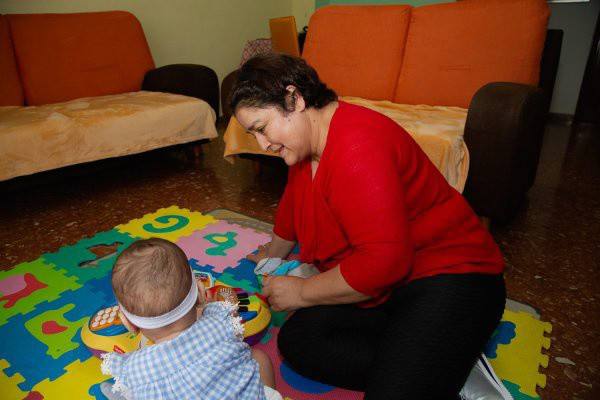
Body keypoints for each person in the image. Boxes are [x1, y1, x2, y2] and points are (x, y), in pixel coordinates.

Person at [232, 53, 506, 399]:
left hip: (454, 276)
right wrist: (270, 259)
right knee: (299, 340)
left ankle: (441, 363)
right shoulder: (305, 145)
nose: (263, 144)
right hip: (391, 287)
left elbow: (381, 265)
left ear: (294, 99)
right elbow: (292, 210)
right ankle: (439, 363)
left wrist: (301, 291)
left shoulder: (357, 146)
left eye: (261, 128)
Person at [101, 238, 282, 400]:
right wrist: (206, 309)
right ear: (201, 294)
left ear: (129, 323)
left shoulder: (134, 369)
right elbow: (232, 316)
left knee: (133, 390)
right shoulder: (219, 318)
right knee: (258, 356)